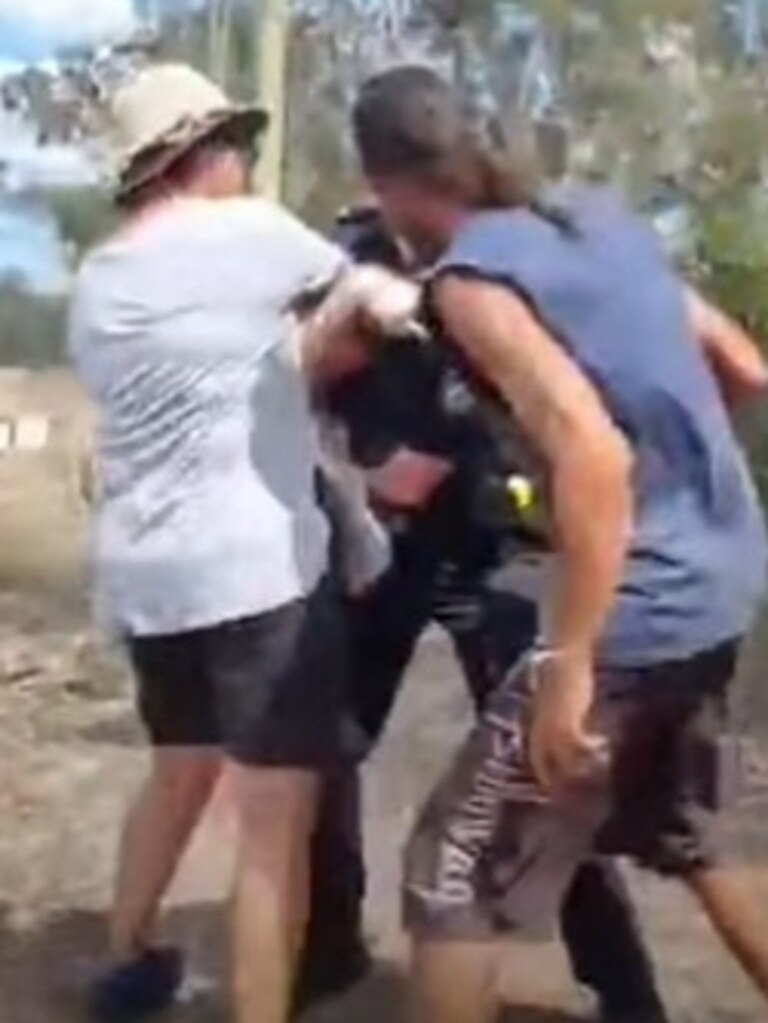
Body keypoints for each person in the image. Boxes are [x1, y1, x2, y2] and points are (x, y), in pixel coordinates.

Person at [346, 65, 768, 1023]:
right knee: (691, 830)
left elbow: (593, 455)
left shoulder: (468, 281)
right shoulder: (595, 218)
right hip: (726, 575)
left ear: (390, 185)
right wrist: (683, 478)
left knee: (451, 878)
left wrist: (573, 658)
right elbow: (744, 365)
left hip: (642, 607)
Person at [68, 63, 404, 1023]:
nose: (246, 164)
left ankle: (128, 956)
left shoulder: (99, 280)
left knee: (179, 763)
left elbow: (236, 369)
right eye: (235, 147)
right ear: (194, 155)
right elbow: (368, 290)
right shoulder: (250, 236)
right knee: (271, 832)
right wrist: (389, 307)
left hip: (146, 573)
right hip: (256, 573)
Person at [312, 202, 670, 1023]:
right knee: (326, 748)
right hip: (388, 545)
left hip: (490, 543)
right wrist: (368, 463)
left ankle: (625, 988)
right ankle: (325, 946)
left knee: (543, 761)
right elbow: (310, 388)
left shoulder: (494, 263)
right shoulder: (353, 260)